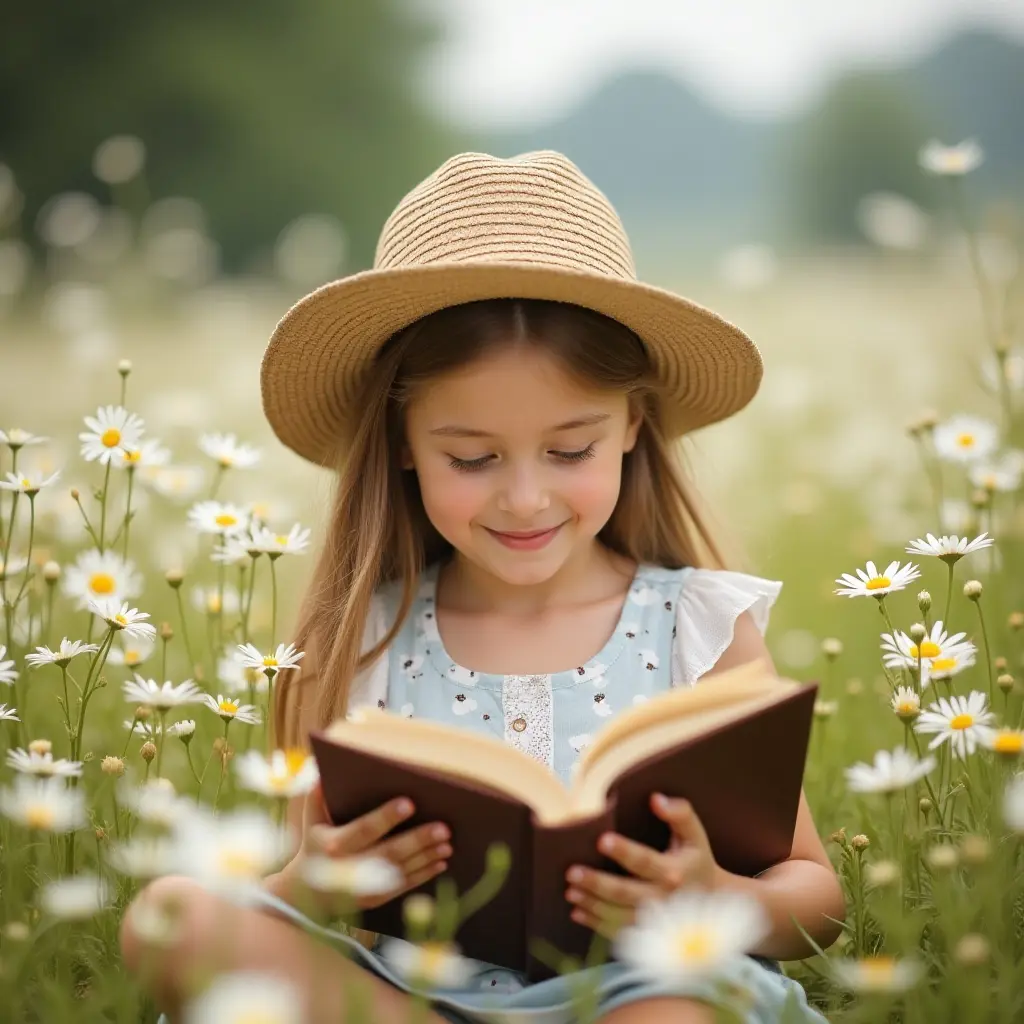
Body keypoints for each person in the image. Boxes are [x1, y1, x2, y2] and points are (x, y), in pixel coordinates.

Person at [121, 151, 845, 1023]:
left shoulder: (699, 626)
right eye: (472, 458)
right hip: (412, 1000)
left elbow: (815, 894)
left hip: (642, 995)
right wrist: (310, 885)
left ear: (632, 427)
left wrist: (717, 900)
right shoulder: (360, 643)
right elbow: (303, 883)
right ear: (401, 444)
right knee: (171, 918)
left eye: (570, 450)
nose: (526, 497)